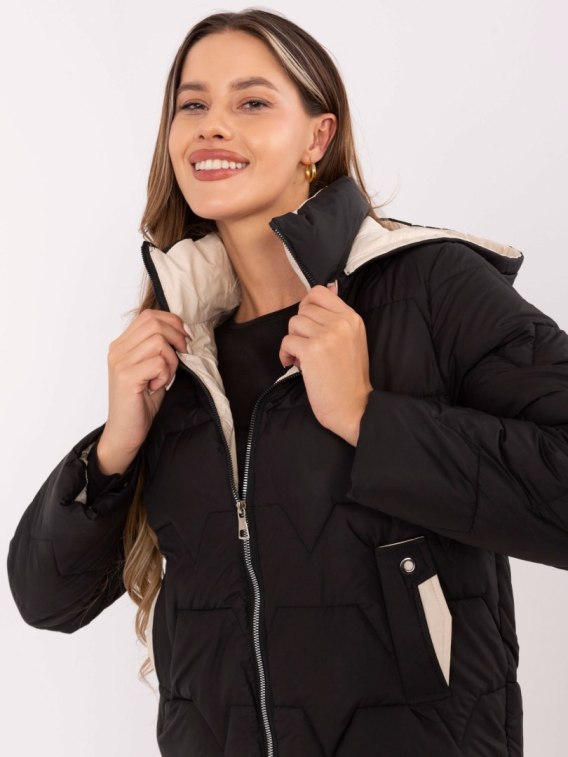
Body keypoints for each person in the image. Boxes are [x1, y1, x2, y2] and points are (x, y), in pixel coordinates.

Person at [6, 7, 568, 756]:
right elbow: (46, 601)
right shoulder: (181, 352)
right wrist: (114, 448)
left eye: (251, 102)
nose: (212, 125)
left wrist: (366, 418)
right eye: (192, 105)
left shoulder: (428, 286)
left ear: (317, 137)